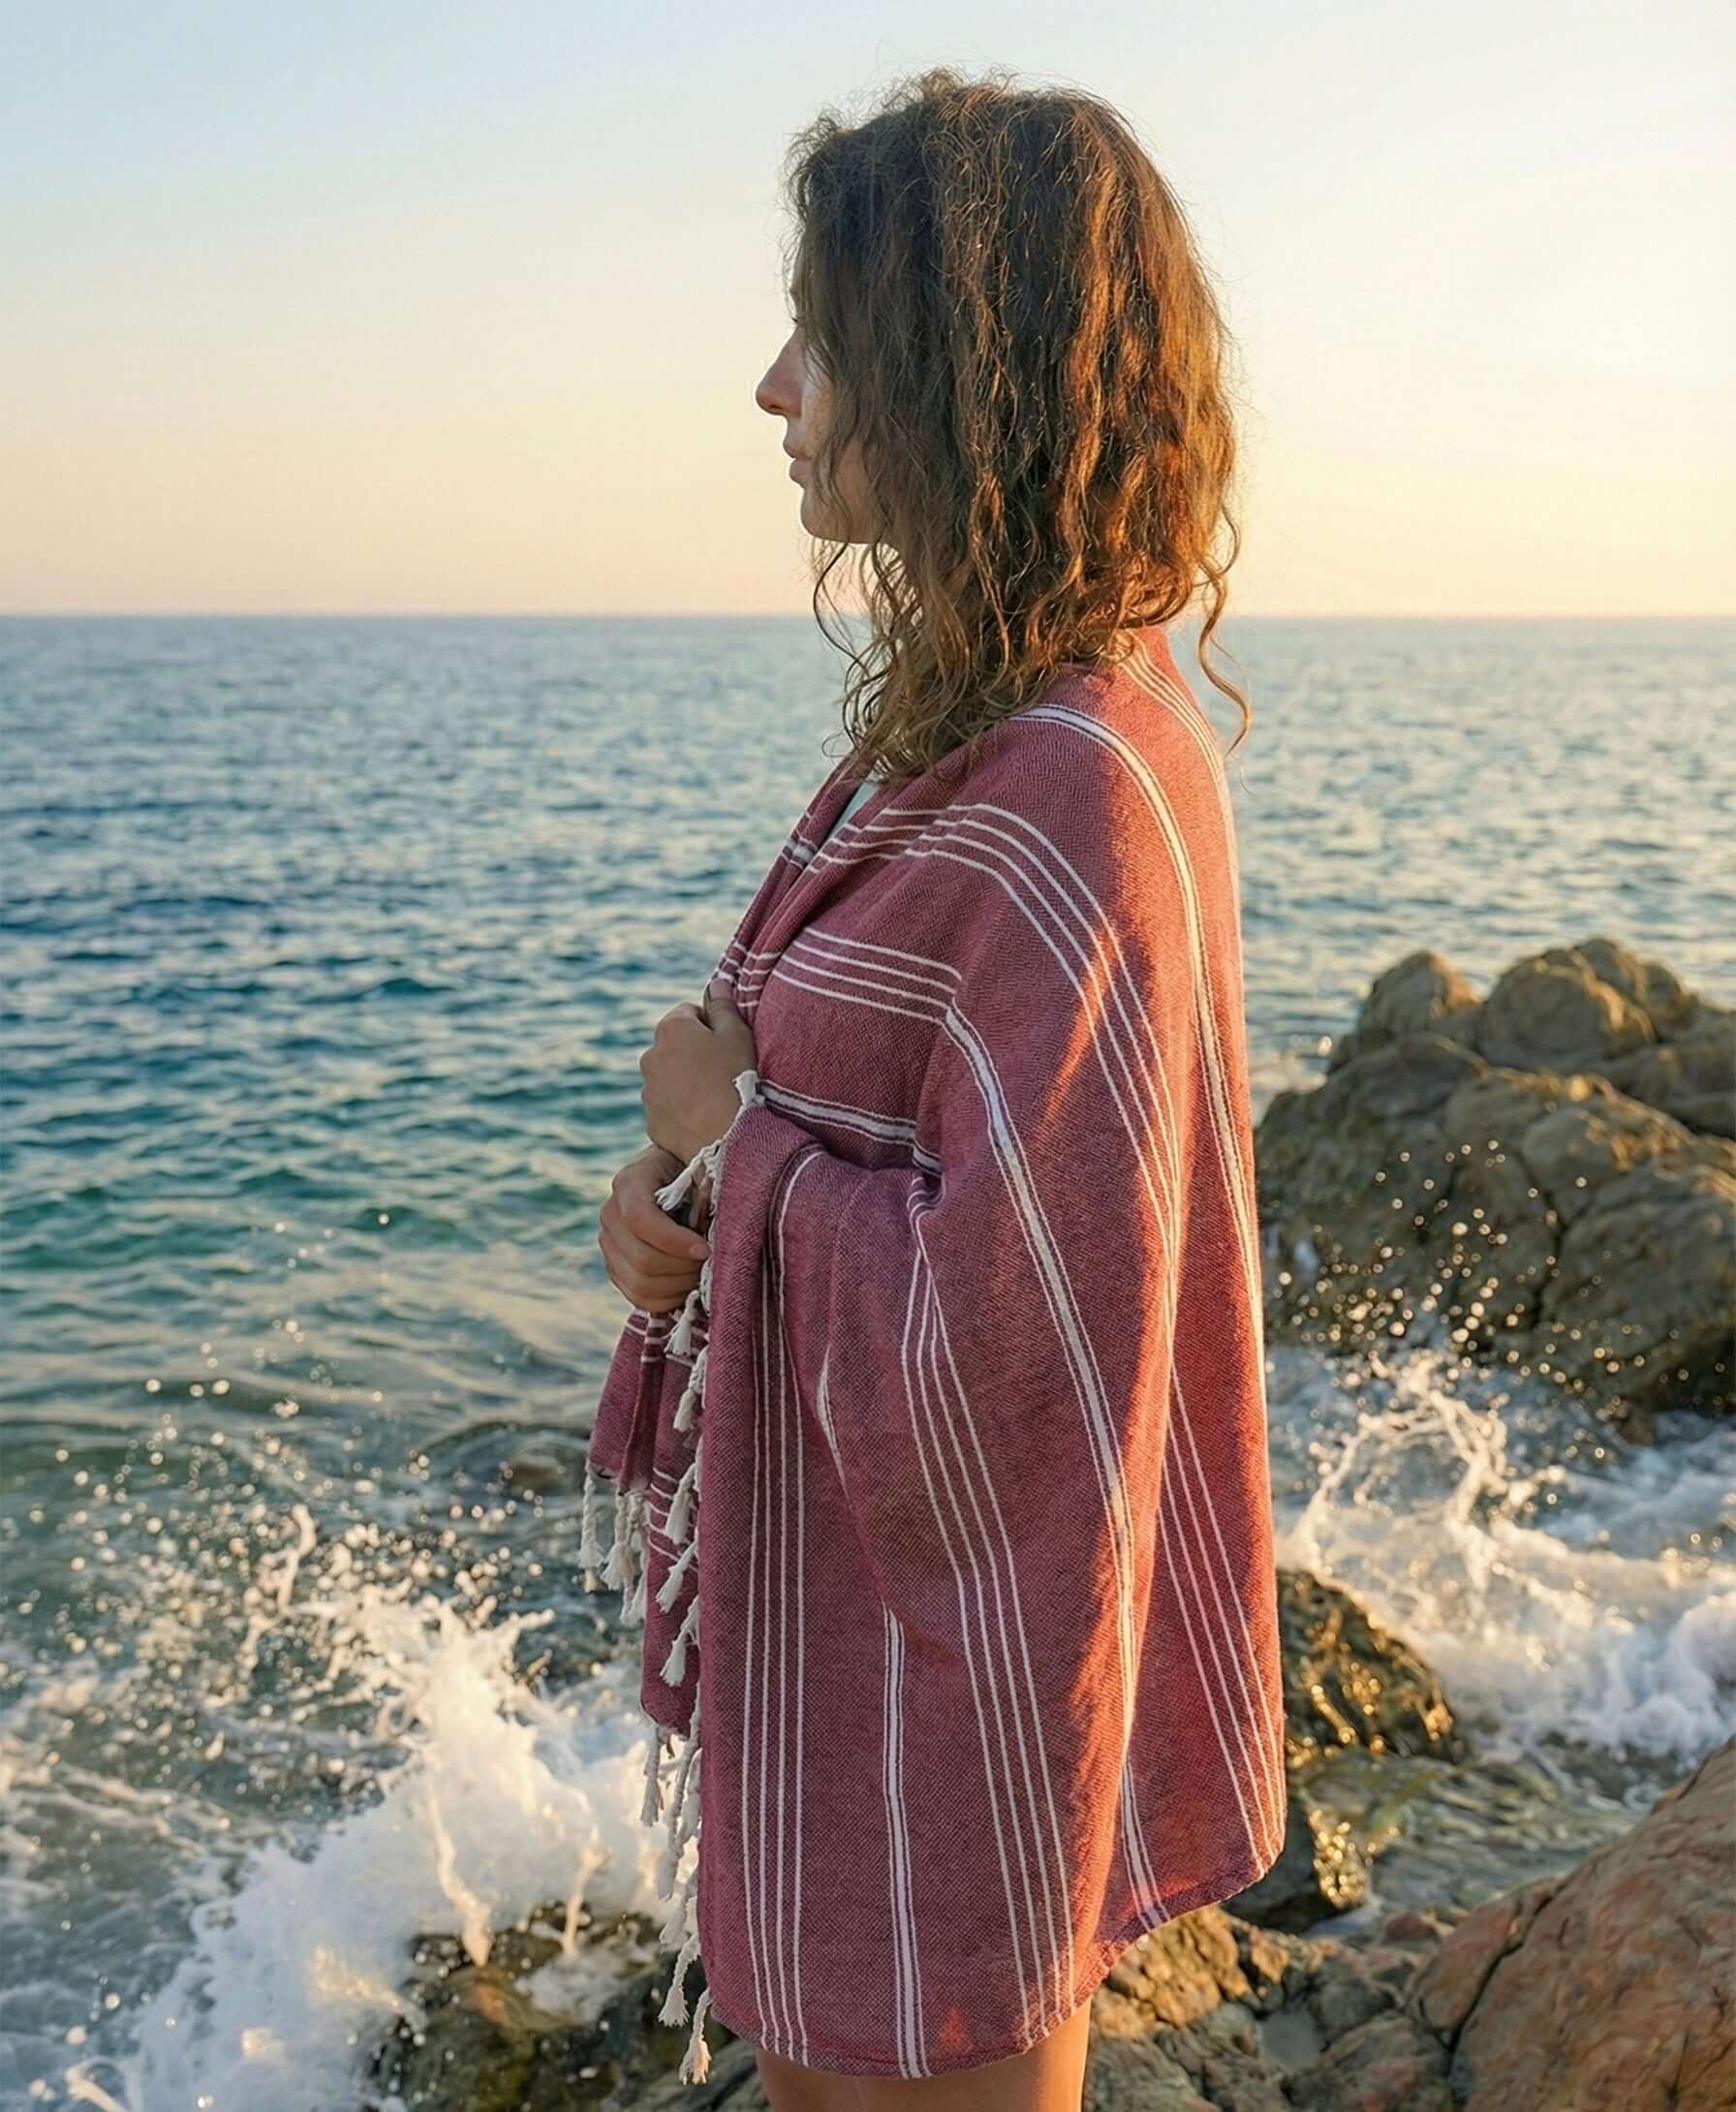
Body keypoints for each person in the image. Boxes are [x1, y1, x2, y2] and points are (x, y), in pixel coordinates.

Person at [592, 63, 1281, 2112]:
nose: (770, 386)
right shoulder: (939, 750)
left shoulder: (1082, 783)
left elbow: (1021, 1333)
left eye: (819, 332)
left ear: (952, 370)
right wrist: (676, 1212)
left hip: (957, 1698)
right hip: (842, 1654)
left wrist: (735, 1153)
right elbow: (831, 1126)